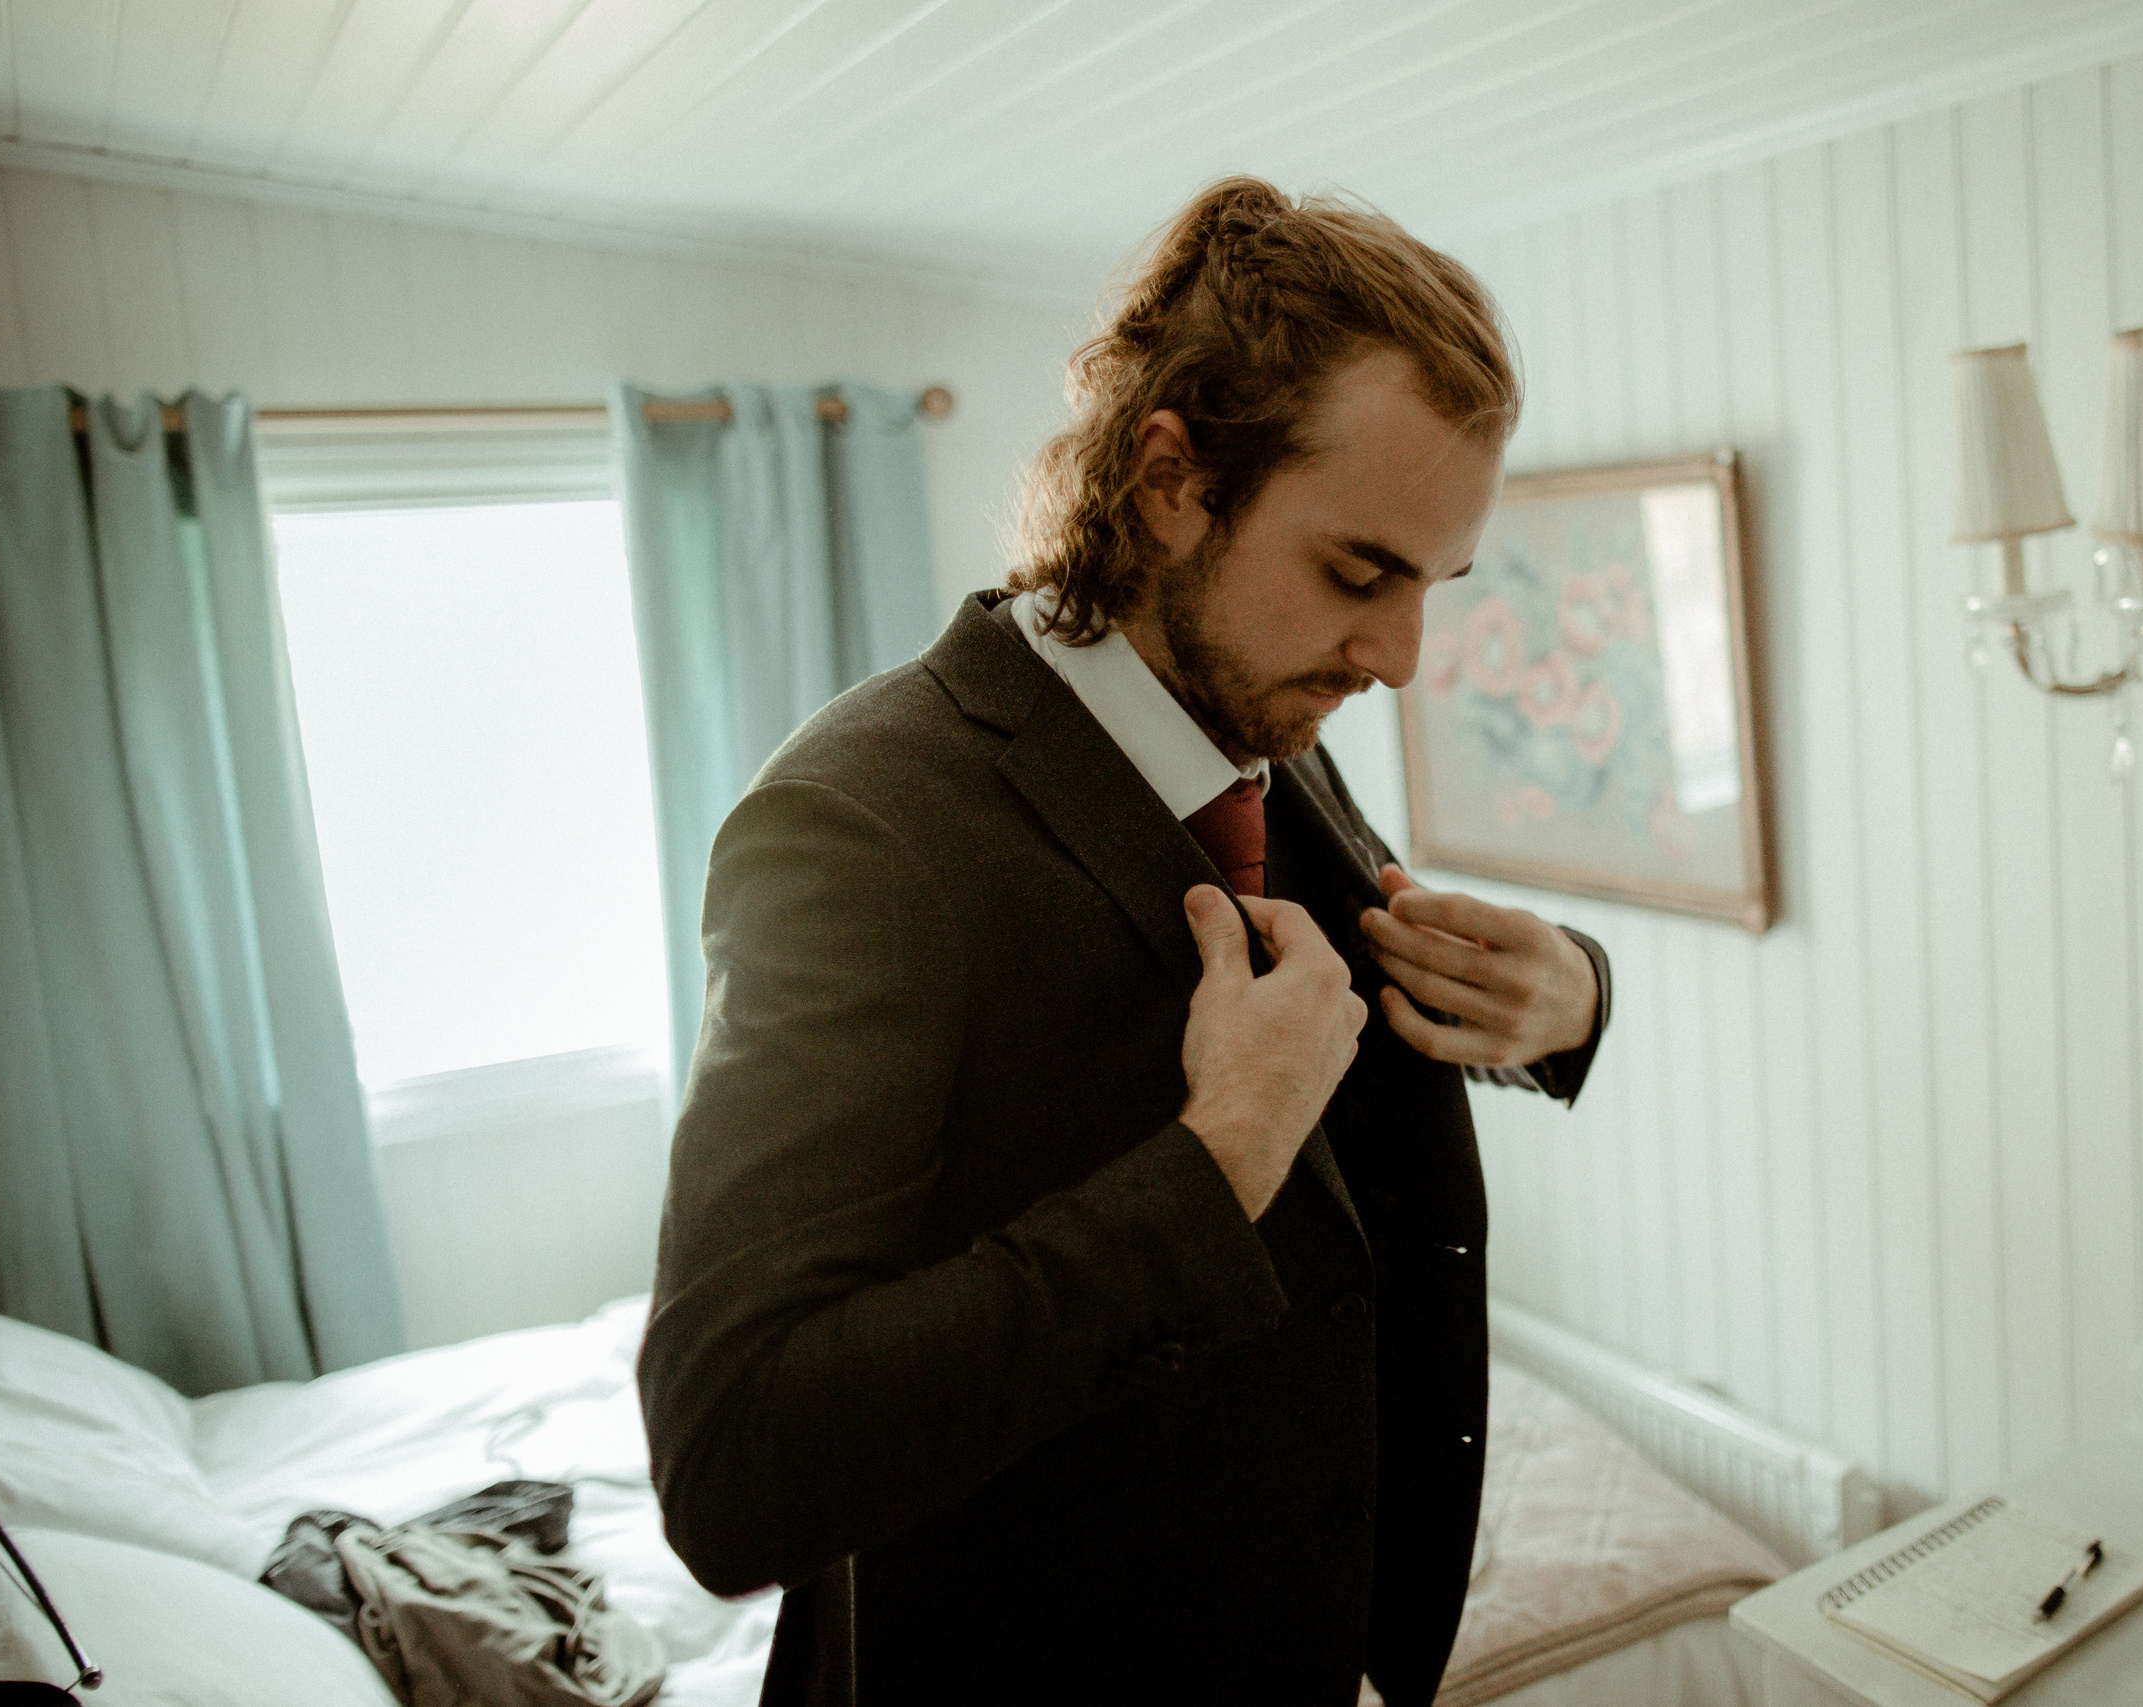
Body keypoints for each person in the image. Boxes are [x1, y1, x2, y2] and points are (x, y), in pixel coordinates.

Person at [638, 176, 1613, 1707]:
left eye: (1434, 586)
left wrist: (1567, 995)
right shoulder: (859, 823)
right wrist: (1217, 1156)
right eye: (1362, 573)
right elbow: (737, 1466)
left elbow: (1344, 1070)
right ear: (1169, 480)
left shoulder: (1257, 718)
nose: (1401, 658)